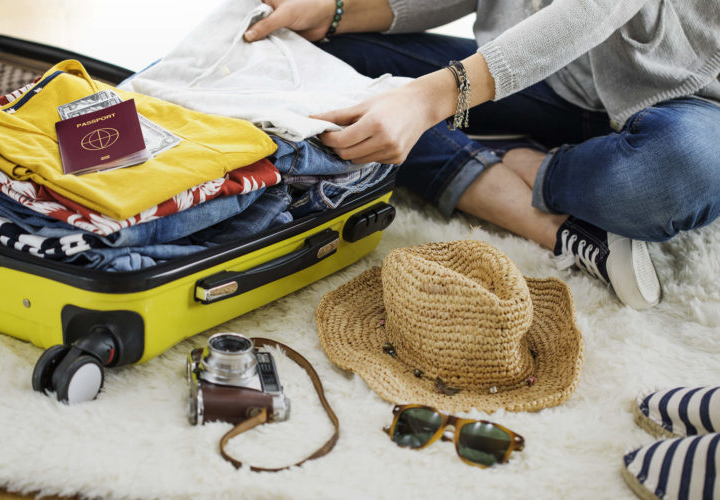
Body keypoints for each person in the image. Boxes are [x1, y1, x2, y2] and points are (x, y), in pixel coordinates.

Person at [243, 0, 720, 310]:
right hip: (544, 79)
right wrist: (336, 12)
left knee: (680, 170)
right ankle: (559, 227)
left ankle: (533, 163)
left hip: (687, 105)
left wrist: (430, 99)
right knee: (317, 60)